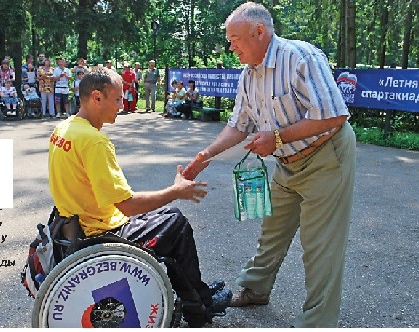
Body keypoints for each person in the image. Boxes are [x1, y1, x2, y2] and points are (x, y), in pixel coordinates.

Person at [182, 2, 356, 328]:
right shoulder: (249, 75)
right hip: (286, 163)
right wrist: (204, 157)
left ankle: (317, 322)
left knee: (320, 248)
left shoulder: (300, 58)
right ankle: (255, 289)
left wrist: (275, 138)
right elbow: (238, 126)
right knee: (271, 230)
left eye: (235, 38)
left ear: (259, 32)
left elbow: (334, 115)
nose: (230, 46)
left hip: (325, 157)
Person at [47, 68, 232, 328]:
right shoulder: (94, 141)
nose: (122, 106)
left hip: (71, 225)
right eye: (117, 99)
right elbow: (128, 205)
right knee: (176, 224)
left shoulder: (64, 128)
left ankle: (196, 293)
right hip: (99, 231)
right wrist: (175, 191)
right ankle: (199, 308)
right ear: (97, 97)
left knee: (167, 219)